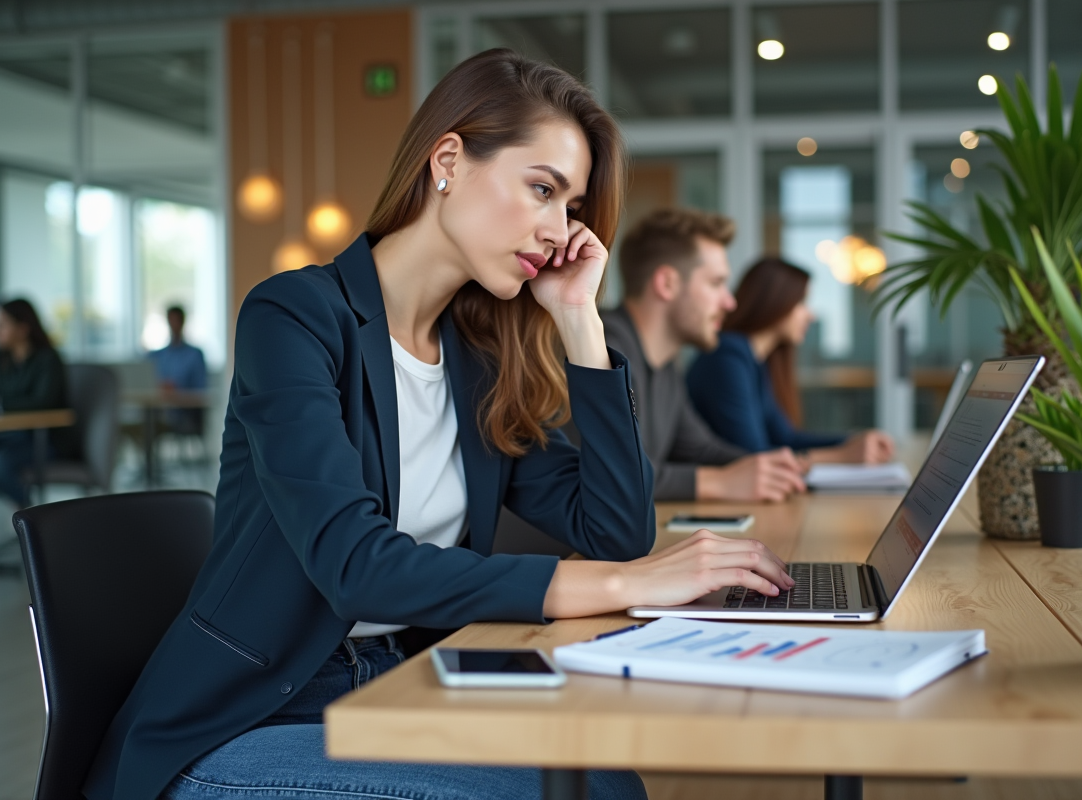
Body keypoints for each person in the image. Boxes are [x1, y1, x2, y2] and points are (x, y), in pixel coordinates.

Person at [84, 50, 794, 800]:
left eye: (573, 209)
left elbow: (617, 529)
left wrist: (581, 321)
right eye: (543, 189)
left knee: (605, 781)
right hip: (245, 721)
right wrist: (625, 583)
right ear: (448, 160)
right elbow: (357, 569)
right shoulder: (294, 316)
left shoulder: (481, 359)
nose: (560, 231)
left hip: (394, 677)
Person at [602, 208, 806, 503]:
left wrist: (769, 468)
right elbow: (613, 476)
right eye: (715, 283)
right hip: (569, 551)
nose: (730, 302)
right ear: (667, 283)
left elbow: (701, 450)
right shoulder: (604, 348)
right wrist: (720, 483)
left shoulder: (666, 366)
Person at [687, 256, 894, 465]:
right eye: (802, 303)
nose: (810, 316)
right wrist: (841, 456)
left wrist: (853, 440)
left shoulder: (755, 360)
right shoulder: (727, 357)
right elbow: (753, 456)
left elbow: (787, 438)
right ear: (775, 301)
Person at [0, 299, 67, 563]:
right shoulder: (1, 357)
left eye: (2, 325)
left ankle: (33, 516)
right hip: (6, 435)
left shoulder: (48, 359)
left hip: (43, 438)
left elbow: (45, 402)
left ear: (23, 328)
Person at [147, 305, 208, 435]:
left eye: (176, 320)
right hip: (159, 410)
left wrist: (177, 390)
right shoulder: (156, 356)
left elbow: (200, 389)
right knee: (147, 422)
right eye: (170, 320)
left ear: (182, 322)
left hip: (185, 413)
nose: (173, 324)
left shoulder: (194, 354)